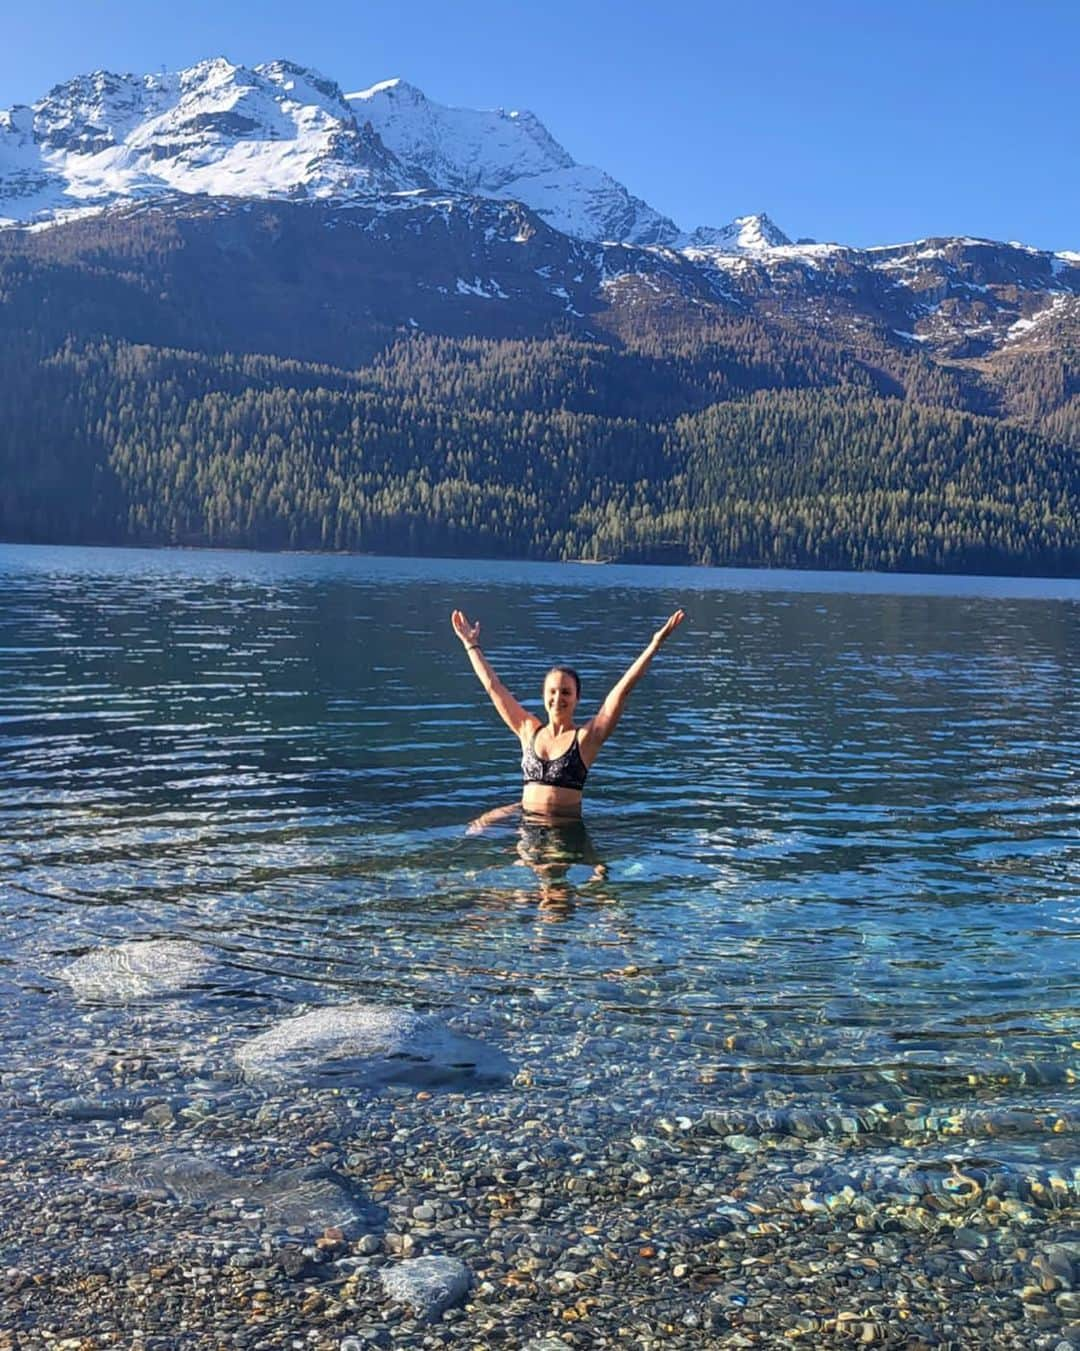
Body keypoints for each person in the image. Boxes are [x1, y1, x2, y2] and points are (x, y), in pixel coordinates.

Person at [450, 607, 685, 819]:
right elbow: (494, 687)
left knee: (551, 866)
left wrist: (655, 644)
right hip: (527, 825)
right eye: (552, 692)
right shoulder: (528, 730)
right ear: (543, 696)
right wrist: (471, 645)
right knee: (474, 836)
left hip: (565, 832)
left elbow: (621, 691)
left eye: (566, 692)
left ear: (576, 698)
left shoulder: (585, 739)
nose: (557, 698)